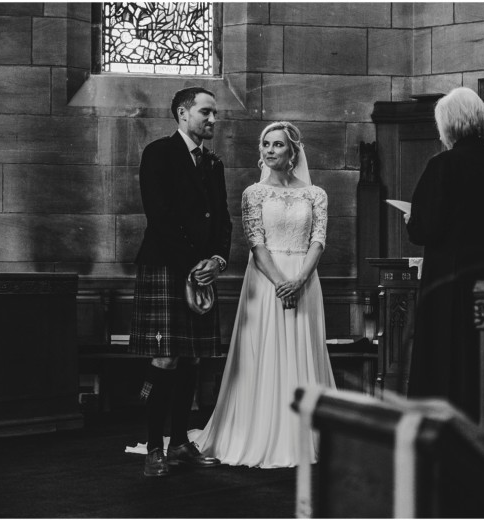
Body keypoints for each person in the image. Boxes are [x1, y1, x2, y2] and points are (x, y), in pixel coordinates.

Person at [191, 121, 336, 468]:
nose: (270, 150)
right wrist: (280, 282)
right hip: (265, 281)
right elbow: (256, 244)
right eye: (266, 145)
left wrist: (300, 279)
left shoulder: (315, 194)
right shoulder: (253, 193)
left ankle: (304, 434)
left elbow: (319, 240)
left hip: (305, 278)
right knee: (264, 353)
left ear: (293, 152)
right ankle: (258, 431)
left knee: (303, 352)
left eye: (278, 145)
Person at [128, 86, 232, 477]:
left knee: (193, 356)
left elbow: (223, 219)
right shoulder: (159, 153)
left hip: (202, 269)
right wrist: (195, 263)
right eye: (206, 112)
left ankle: (181, 443)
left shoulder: (213, 163)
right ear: (183, 113)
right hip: (166, 268)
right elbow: (159, 215)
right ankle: (155, 447)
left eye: (215, 113)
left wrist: (218, 259)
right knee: (164, 357)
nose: (212, 120)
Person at [404, 87, 484, 421]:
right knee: (483, 355)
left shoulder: (442, 165)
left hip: (449, 274)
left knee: (444, 357)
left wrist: (412, 219)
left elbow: (426, 229)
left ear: (448, 125)